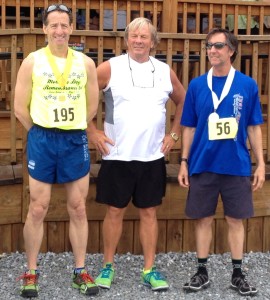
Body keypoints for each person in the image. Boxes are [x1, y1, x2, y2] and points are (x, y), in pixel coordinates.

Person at [87, 17, 186, 291]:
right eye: (134, 36)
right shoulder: (110, 68)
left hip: (152, 156)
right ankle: (107, 266)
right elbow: (82, 96)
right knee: (115, 211)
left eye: (144, 36)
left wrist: (174, 134)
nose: (139, 41)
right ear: (126, 40)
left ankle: (149, 269)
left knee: (149, 213)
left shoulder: (165, 71)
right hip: (117, 155)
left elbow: (183, 99)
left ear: (153, 42)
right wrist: (91, 131)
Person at [14, 3, 99, 298]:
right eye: (54, 25)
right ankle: (31, 271)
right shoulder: (32, 61)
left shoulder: (85, 63)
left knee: (78, 206)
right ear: (44, 29)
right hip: (43, 139)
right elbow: (19, 107)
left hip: (74, 140)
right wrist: (40, 132)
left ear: (71, 29)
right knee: (38, 207)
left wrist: (73, 128)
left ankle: (80, 271)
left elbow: (92, 106)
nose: (59, 30)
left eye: (64, 25)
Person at [178, 28, 265, 297]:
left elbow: (253, 127)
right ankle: (202, 271)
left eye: (218, 46)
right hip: (202, 163)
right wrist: (183, 161)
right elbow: (189, 127)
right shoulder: (196, 85)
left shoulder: (247, 84)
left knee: (235, 219)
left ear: (231, 50)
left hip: (236, 164)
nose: (212, 50)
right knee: (202, 219)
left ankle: (237, 274)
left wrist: (261, 163)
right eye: (208, 46)